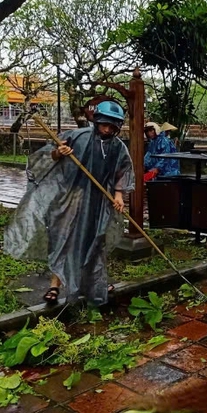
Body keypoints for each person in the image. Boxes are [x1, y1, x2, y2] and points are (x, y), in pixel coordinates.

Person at [4, 100, 134, 306]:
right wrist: (58, 153)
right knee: (63, 240)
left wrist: (118, 195)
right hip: (70, 199)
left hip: (98, 203)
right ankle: (54, 286)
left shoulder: (118, 148)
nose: (107, 129)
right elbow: (45, 157)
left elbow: (123, 172)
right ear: (97, 121)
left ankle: (95, 284)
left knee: (95, 241)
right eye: (104, 124)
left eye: (112, 126)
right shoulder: (77, 137)